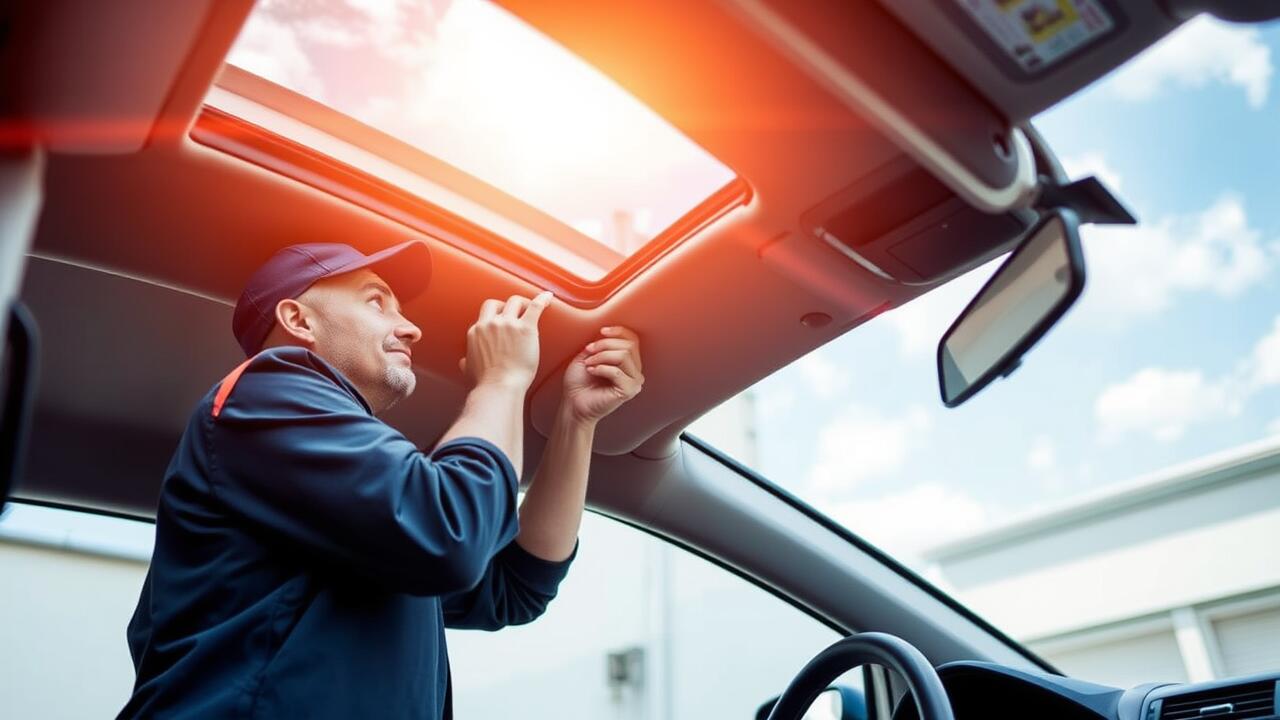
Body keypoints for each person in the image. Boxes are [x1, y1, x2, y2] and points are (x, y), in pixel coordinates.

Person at [119, 240, 644, 719]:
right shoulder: (265, 390)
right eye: (377, 301)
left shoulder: (356, 505)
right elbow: (451, 534)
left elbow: (514, 586)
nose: (411, 328)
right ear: (298, 319)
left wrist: (577, 421)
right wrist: (502, 379)